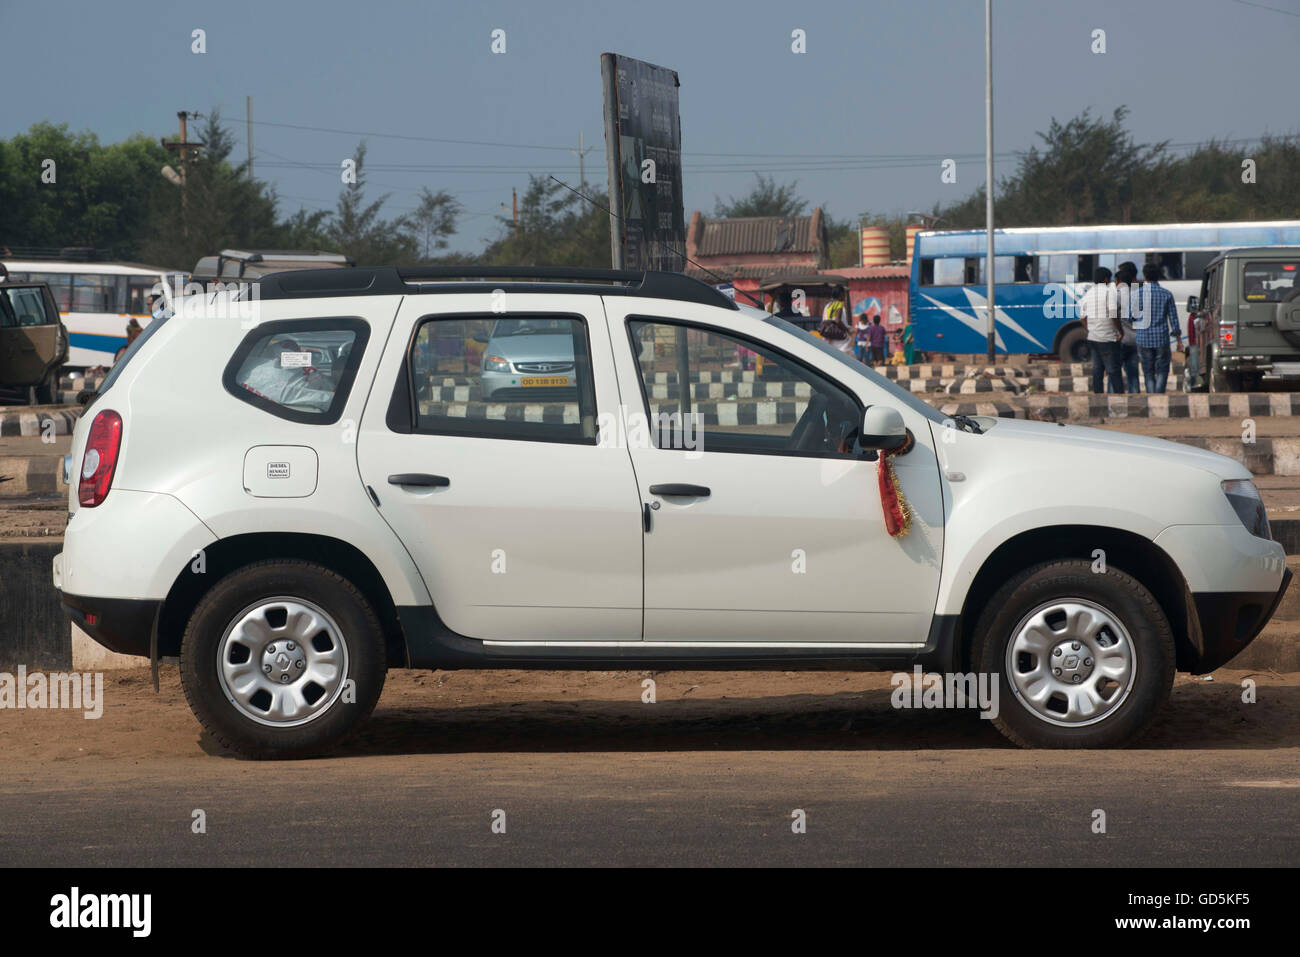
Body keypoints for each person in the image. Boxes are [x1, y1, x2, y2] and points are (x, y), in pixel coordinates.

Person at [1131, 261, 1183, 394]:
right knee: (1162, 370)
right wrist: (1178, 338)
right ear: (1158, 275)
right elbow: (1174, 319)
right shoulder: (1166, 294)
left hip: (1143, 339)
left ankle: (1151, 397)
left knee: (1148, 372)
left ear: (1144, 276)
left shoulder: (1137, 294)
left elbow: (1129, 317)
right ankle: (1158, 395)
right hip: (1161, 339)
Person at [1078, 266, 1123, 393]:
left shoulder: (1088, 294)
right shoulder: (1109, 292)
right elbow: (1113, 314)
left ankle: (1098, 398)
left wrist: (1090, 330)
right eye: (1109, 279)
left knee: (1097, 370)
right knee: (1113, 370)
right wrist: (1121, 331)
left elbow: (1082, 317)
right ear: (1105, 279)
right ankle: (1119, 397)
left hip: (1093, 338)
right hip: (1107, 337)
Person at [1114, 262, 1143, 393]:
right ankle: (1135, 398)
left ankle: (1113, 396)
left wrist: (1119, 331)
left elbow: (1112, 315)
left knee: (1114, 373)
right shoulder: (1141, 293)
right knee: (1133, 373)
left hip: (1121, 339)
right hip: (1136, 339)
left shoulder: (1118, 295)